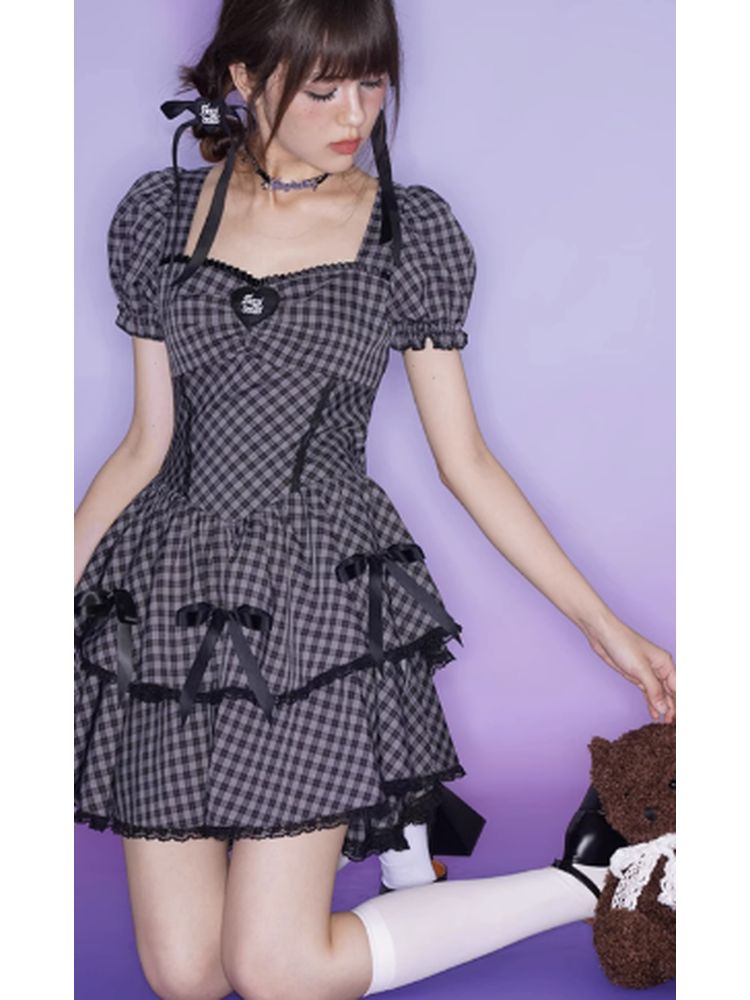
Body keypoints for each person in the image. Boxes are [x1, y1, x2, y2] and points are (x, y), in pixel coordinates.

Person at [73, 1, 677, 997]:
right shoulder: (157, 215)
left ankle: (593, 872)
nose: (357, 113)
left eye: (373, 80)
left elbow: (466, 460)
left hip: (319, 599)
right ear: (243, 77)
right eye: (324, 89)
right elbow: (146, 443)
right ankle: (412, 842)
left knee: (274, 968)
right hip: (168, 593)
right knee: (185, 976)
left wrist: (600, 626)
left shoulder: (406, 231)